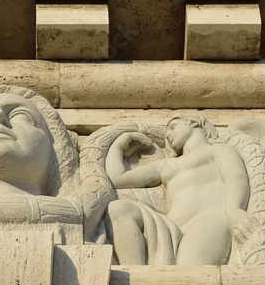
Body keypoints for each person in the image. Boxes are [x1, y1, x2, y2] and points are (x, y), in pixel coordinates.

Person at [105, 113, 251, 265]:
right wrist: (118, 146)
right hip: (172, 228)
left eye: (173, 127)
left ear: (193, 122)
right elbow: (117, 179)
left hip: (209, 218)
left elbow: (235, 177)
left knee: (189, 272)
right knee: (119, 209)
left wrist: (234, 210)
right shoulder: (166, 165)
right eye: (167, 133)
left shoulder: (219, 150)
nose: (168, 135)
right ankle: (132, 279)